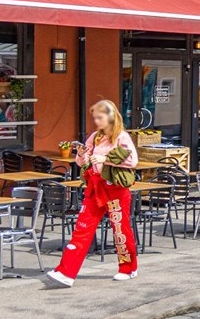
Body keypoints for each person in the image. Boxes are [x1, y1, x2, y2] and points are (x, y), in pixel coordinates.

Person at [43, 98, 141, 287]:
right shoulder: (95, 136)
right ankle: (66, 272)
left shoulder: (121, 137)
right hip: (95, 187)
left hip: (115, 188)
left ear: (110, 117)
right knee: (82, 228)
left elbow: (133, 161)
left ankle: (128, 268)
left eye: (100, 117)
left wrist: (105, 158)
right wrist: (81, 153)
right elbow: (83, 162)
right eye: (95, 118)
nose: (96, 121)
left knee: (120, 229)